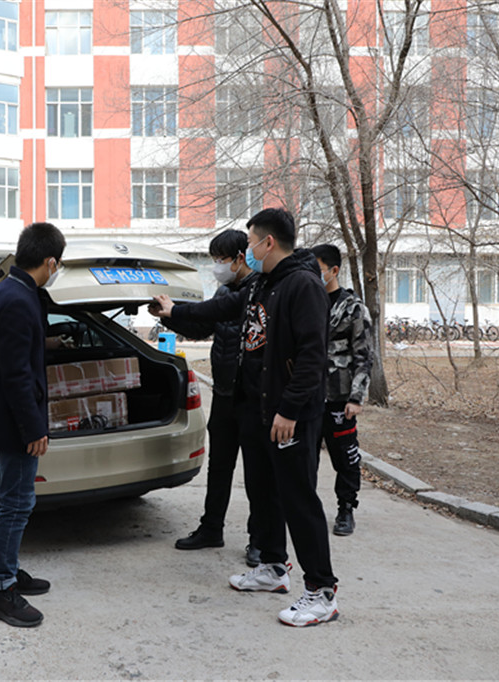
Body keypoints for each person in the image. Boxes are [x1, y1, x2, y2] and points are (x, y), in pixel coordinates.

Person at [150, 208, 339, 627]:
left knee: (298, 499)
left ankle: (321, 591)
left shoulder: (303, 285)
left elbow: (313, 355)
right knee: (263, 490)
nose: (247, 249)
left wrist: (289, 409)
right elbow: (223, 308)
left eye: (251, 241)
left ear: (268, 242)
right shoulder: (262, 284)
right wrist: (174, 311)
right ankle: (273, 567)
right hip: (258, 410)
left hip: (290, 415)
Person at [0, 221, 65, 628]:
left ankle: (6, 569)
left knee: (7, 499)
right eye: (58, 264)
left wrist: (48, 343)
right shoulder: (17, 299)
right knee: (16, 503)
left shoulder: (14, 291)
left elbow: (17, 349)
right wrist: (34, 429)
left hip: (7, 420)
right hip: (15, 425)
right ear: (50, 261)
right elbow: (16, 375)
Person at [159, 229, 262, 567]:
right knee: (219, 467)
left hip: (252, 398)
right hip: (224, 394)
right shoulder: (224, 291)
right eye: (214, 259)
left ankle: (259, 539)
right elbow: (203, 327)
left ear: (240, 258)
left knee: (257, 474)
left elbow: (212, 313)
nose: (217, 266)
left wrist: (178, 311)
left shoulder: (259, 291)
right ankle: (211, 528)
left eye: (220, 259)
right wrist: (169, 317)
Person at [311, 244, 373, 536]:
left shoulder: (353, 308)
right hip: (308, 396)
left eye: (318, 269)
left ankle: (346, 509)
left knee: (345, 458)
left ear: (333, 270)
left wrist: (356, 397)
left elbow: (364, 356)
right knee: (304, 459)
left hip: (339, 397)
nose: (312, 275)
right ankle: (305, 510)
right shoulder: (307, 302)